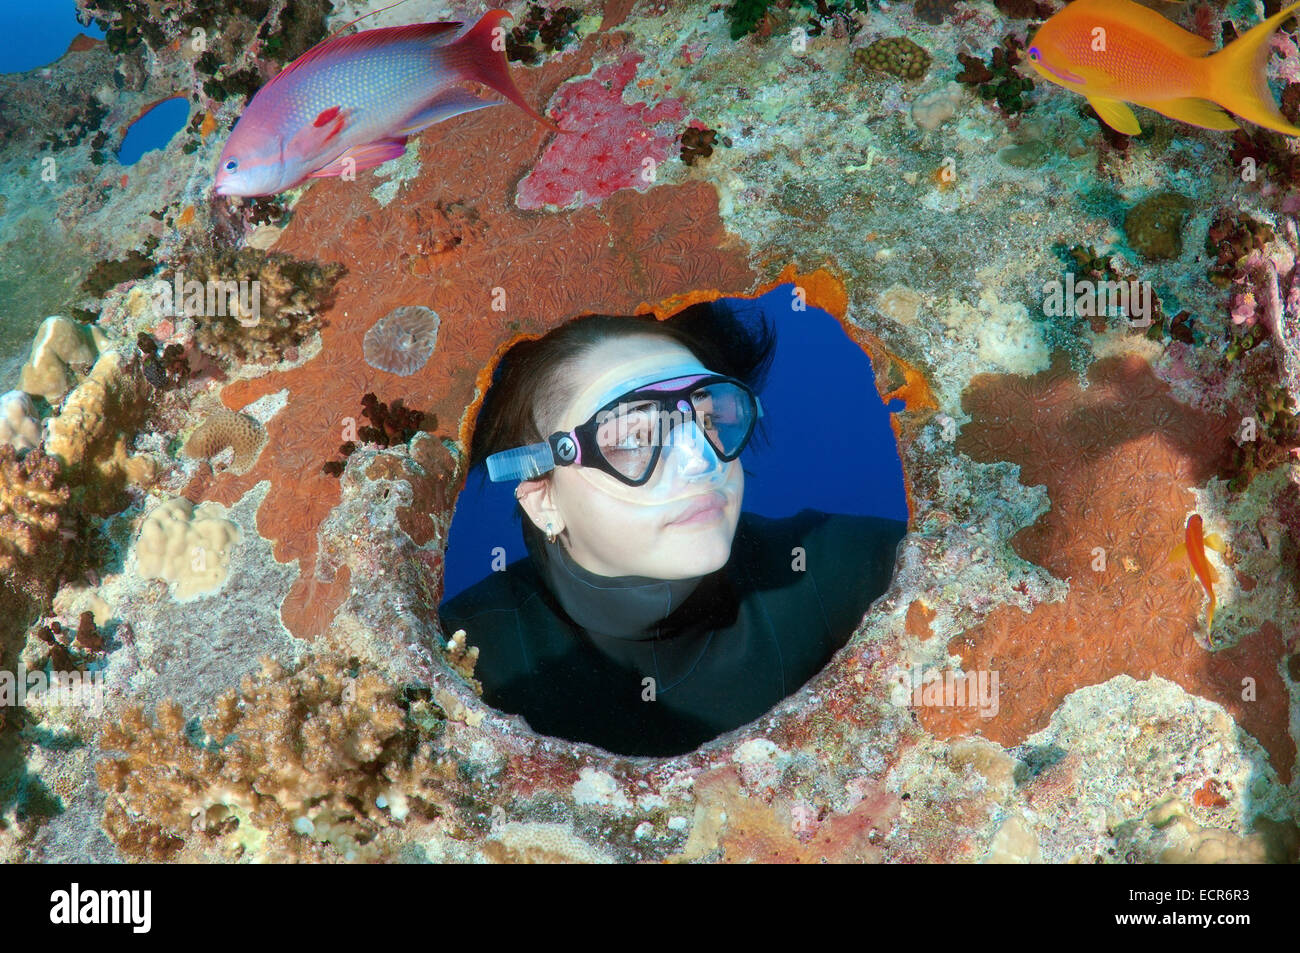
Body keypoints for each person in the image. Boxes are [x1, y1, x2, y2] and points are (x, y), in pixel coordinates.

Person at [438, 301, 906, 757]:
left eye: (709, 419)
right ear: (543, 499)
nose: (701, 461)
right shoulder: (460, 657)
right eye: (631, 439)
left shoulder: (855, 571)